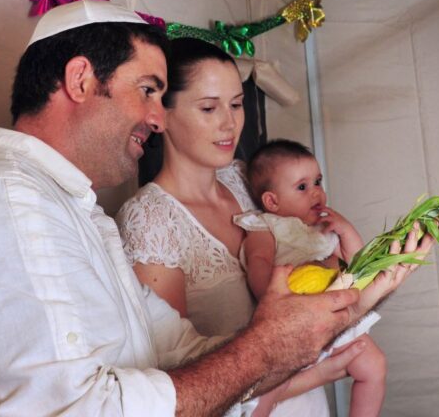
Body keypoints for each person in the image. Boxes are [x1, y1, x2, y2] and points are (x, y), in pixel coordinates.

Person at [0, 0, 428, 416]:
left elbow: (174, 350)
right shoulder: (3, 199)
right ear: (81, 80)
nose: (158, 119)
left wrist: (349, 300)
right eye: (149, 91)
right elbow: (75, 409)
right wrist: (264, 350)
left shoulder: (75, 210)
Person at [116, 38, 356, 416]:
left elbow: (315, 250)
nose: (230, 123)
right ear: (161, 113)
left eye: (237, 104)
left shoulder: (248, 179)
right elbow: (175, 383)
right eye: (209, 107)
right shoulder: (149, 220)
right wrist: (323, 370)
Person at [239, 139, 387, 417]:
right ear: (272, 201)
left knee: (375, 366)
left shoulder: (325, 227)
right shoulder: (266, 226)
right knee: (266, 389)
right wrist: (271, 296)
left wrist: (346, 230)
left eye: (318, 181)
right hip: (291, 324)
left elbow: (361, 264)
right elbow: (257, 262)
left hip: (334, 321)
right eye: (302, 187)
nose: (316, 192)